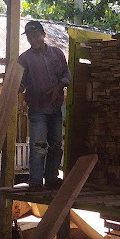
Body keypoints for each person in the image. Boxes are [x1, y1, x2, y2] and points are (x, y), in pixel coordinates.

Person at [18, 20, 70, 189]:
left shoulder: (57, 53)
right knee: (39, 145)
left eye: (35, 35)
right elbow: (21, 84)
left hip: (55, 106)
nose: (32, 39)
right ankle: (35, 182)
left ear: (43, 35)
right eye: (29, 37)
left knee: (56, 145)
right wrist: (13, 83)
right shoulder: (24, 59)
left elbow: (66, 75)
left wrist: (58, 88)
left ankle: (52, 178)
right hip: (37, 108)